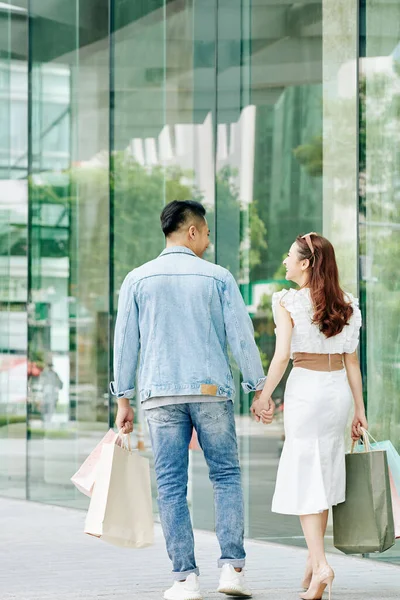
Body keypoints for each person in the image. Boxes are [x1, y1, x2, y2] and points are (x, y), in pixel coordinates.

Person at [112, 200, 273, 600]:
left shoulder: (137, 279)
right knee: (226, 476)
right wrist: (259, 388)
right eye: (205, 233)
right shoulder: (218, 277)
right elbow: (240, 335)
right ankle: (232, 570)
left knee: (170, 483)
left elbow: (124, 344)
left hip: (160, 394)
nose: (208, 241)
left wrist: (123, 400)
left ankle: (185, 578)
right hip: (210, 390)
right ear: (192, 232)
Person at [251, 232, 368, 600]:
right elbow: (353, 364)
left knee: (306, 475)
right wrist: (360, 412)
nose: (285, 261)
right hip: (337, 396)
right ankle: (311, 564)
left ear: (306, 263)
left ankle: (321, 566)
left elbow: (282, 355)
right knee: (325, 471)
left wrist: (264, 395)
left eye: (290, 256)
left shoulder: (287, 301)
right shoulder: (347, 303)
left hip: (306, 390)